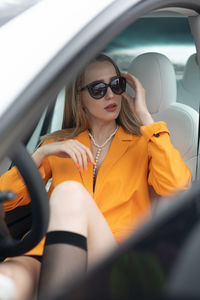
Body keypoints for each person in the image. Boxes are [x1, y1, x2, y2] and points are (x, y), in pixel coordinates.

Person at [0, 53, 192, 299]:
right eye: (98, 89)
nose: (111, 94)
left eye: (116, 85)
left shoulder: (146, 142)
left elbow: (176, 186)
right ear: (79, 99)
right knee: (7, 281)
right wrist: (40, 154)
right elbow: (5, 198)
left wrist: (144, 116)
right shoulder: (58, 143)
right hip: (48, 250)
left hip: (111, 257)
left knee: (69, 192)